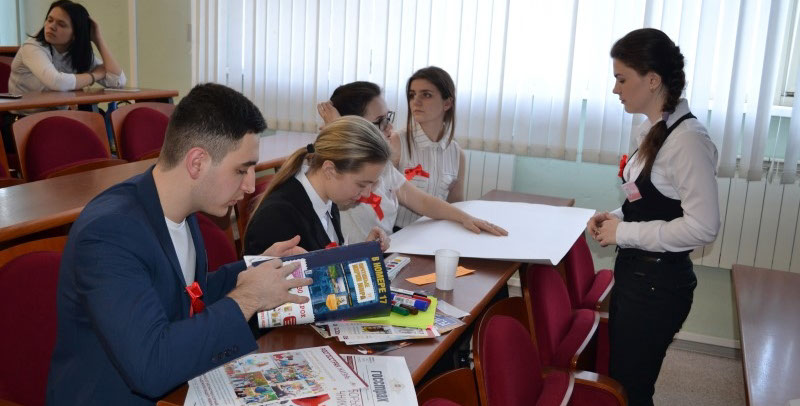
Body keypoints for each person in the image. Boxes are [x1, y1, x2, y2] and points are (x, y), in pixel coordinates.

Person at [46, 83, 312, 405]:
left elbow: (187, 296)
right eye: (241, 169)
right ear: (197, 162)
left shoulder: (179, 209)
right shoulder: (109, 233)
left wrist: (255, 267)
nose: (250, 185)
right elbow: (151, 367)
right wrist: (249, 297)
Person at [586, 28, 720, 406]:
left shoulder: (688, 140)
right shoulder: (654, 129)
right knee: (623, 379)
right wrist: (613, 218)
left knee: (632, 388)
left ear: (652, 80)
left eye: (621, 79)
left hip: (657, 287)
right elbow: (649, 200)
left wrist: (623, 232)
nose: (615, 89)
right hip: (637, 277)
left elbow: (703, 226)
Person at [317, 81, 507, 243]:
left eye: (388, 118)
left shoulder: (382, 167)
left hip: (383, 256)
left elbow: (422, 201)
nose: (389, 127)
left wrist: (466, 218)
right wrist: (339, 130)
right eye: (380, 121)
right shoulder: (336, 170)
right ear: (354, 126)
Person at [393, 66, 465, 229]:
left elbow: (455, 207)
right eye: (412, 95)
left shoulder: (457, 154)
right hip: (397, 233)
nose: (416, 102)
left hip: (435, 233)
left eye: (426, 95)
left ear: (447, 103)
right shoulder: (397, 142)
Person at [9, 0, 126, 95]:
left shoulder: (77, 52)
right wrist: (95, 75)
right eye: (49, 20)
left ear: (76, 34)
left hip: (59, 114)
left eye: (61, 24)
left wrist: (98, 40)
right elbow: (56, 82)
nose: (51, 26)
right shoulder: (32, 47)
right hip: (23, 115)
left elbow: (118, 82)